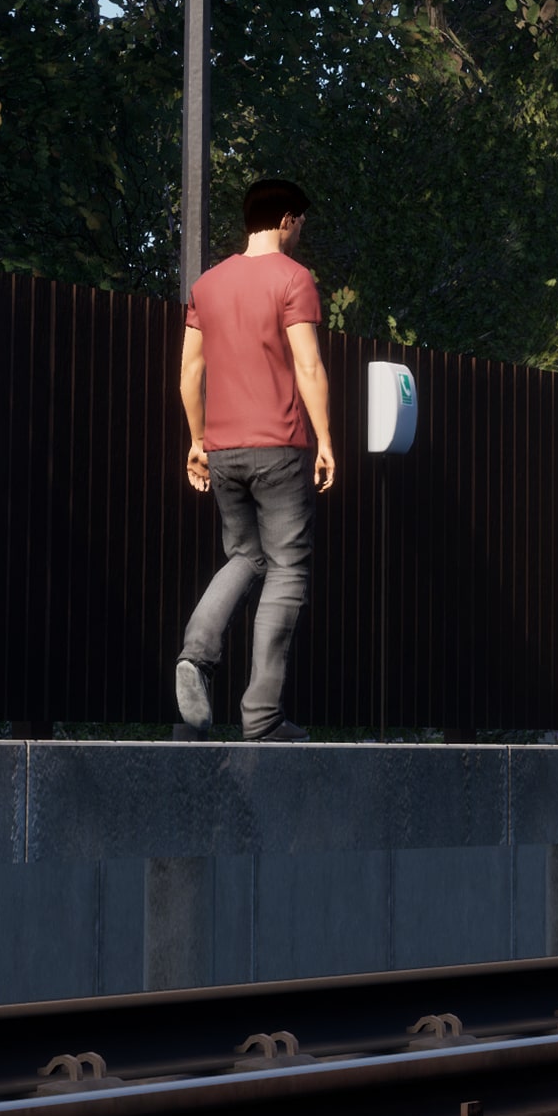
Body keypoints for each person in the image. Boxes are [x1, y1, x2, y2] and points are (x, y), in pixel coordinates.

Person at [175, 178, 337, 741]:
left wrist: (197, 442)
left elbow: (191, 371)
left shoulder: (208, 284)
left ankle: (196, 654)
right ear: (288, 220)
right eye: (301, 225)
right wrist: (326, 440)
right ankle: (262, 717)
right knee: (288, 568)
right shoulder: (294, 278)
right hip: (280, 448)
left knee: (245, 556)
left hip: (223, 451)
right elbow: (309, 366)